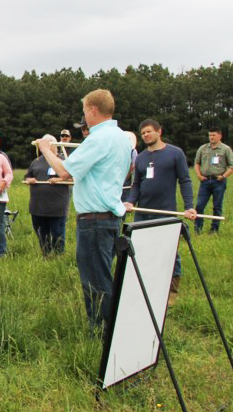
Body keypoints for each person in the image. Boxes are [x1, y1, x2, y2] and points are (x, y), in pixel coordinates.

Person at [37, 89, 131, 333]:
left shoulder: (98, 139)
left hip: (95, 221)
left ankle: (103, 334)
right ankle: (110, 329)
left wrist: (46, 148)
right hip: (110, 217)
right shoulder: (121, 137)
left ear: (93, 110)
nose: (84, 117)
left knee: (96, 281)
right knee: (103, 275)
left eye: (84, 112)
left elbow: (65, 171)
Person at [123, 119, 196, 306]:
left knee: (170, 252)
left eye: (149, 132)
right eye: (143, 134)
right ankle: (148, 286)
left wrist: (189, 206)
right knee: (143, 250)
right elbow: (137, 184)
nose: (146, 135)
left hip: (165, 212)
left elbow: (185, 181)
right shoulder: (140, 158)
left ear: (159, 131)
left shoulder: (175, 153)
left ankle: (171, 291)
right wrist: (131, 201)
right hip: (143, 213)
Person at [24, 134, 70, 256]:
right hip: (38, 207)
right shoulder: (36, 161)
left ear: (55, 146)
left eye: (49, 145)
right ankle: (46, 256)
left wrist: (60, 180)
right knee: (41, 234)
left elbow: (73, 178)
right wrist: (30, 179)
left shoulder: (63, 160)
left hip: (57, 207)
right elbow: (27, 176)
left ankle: (58, 257)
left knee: (57, 233)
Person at [193, 127, 233, 234]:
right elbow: (197, 163)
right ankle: (198, 228)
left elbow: (231, 166)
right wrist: (199, 175)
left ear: (220, 136)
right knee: (199, 206)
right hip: (205, 181)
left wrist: (223, 176)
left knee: (217, 206)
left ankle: (214, 229)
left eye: (213, 135)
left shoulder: (226, 149)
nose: (211, 137)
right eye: (210, 135)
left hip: (218, 181)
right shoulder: (203, 148)